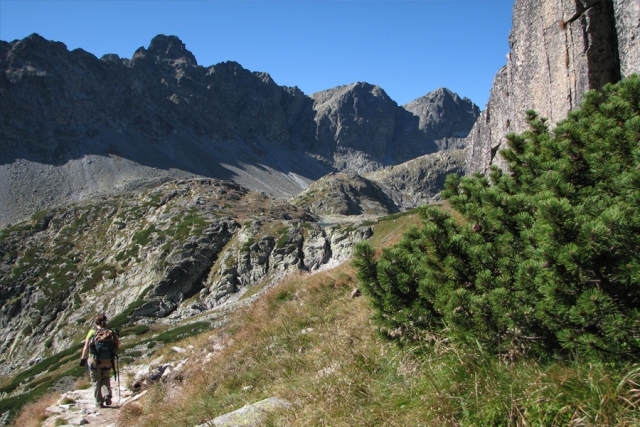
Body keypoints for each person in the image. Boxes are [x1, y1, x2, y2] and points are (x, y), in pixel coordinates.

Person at [80, 313, 120, 408]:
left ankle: (99, 403)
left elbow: (86, 347)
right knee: (105, 378)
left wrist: (82, 358)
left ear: (95, 322)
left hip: (94, 360)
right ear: (105, 322)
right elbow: (118, 344)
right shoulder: (111, 332)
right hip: (108, 360)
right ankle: (107, 395)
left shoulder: (92, 333)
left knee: (96, 381)